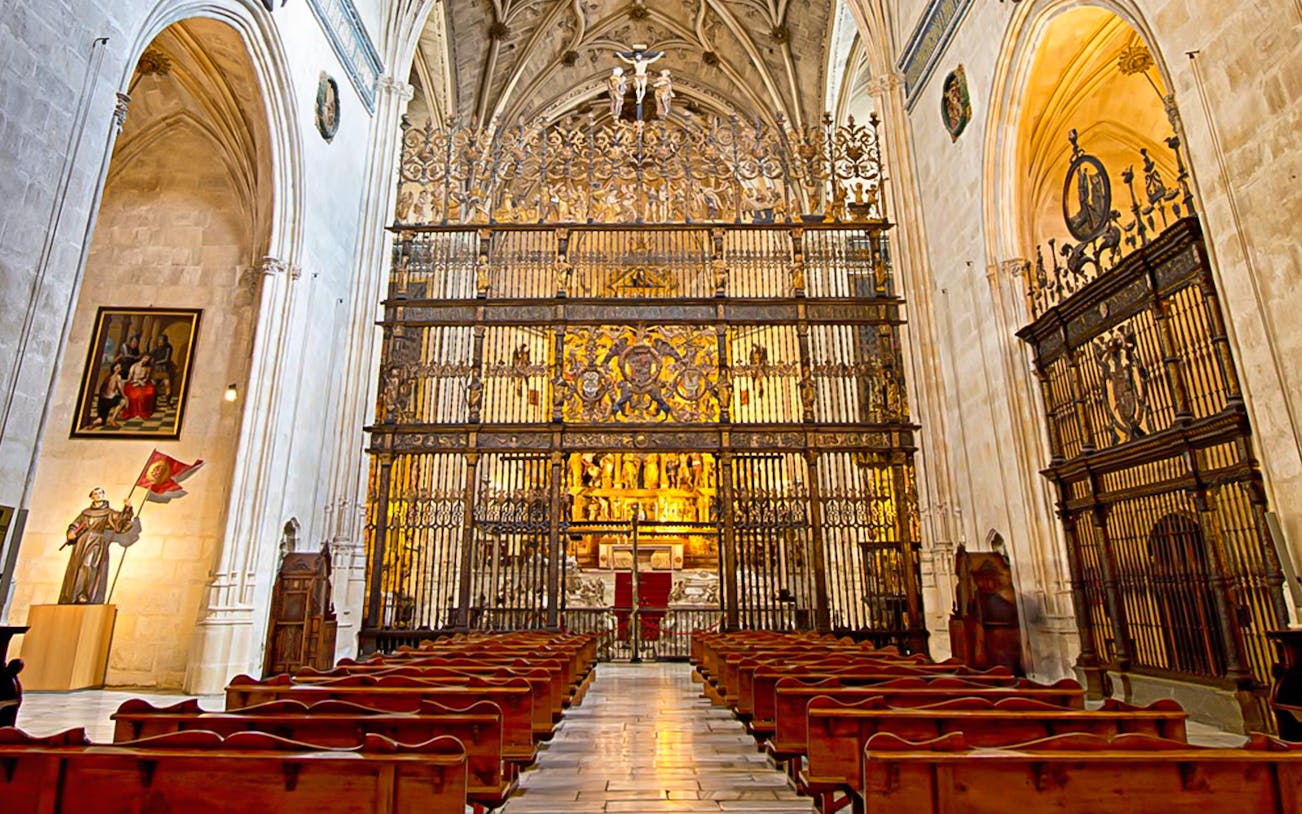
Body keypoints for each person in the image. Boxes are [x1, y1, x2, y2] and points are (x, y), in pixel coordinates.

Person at [58, 487, 135, 605]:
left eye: (100, 493)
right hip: (82, 542)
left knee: (88, 566)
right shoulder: (85, 513)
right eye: (95, 493)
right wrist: (71, 533)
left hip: (96, 542)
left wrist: (127, 508)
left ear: (103, 495)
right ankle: (70, 595)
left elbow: (120, 521)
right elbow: (75, 524)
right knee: (75, 568)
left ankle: (83, 594)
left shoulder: (108, 512)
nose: (98, 495)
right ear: (92, 496)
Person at [87, 361, 126, 429]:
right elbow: (120, 389)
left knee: (101, 419)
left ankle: (94, 423)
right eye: (117, 367)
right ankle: (112, 419)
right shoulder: (117, 377)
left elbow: (102, 389)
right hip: (108, 400)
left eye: (119, 367)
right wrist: (125, 397)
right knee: (123, 401)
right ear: (113, 368)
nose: (118, 368)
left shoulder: (107, 376)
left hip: (102, 400)